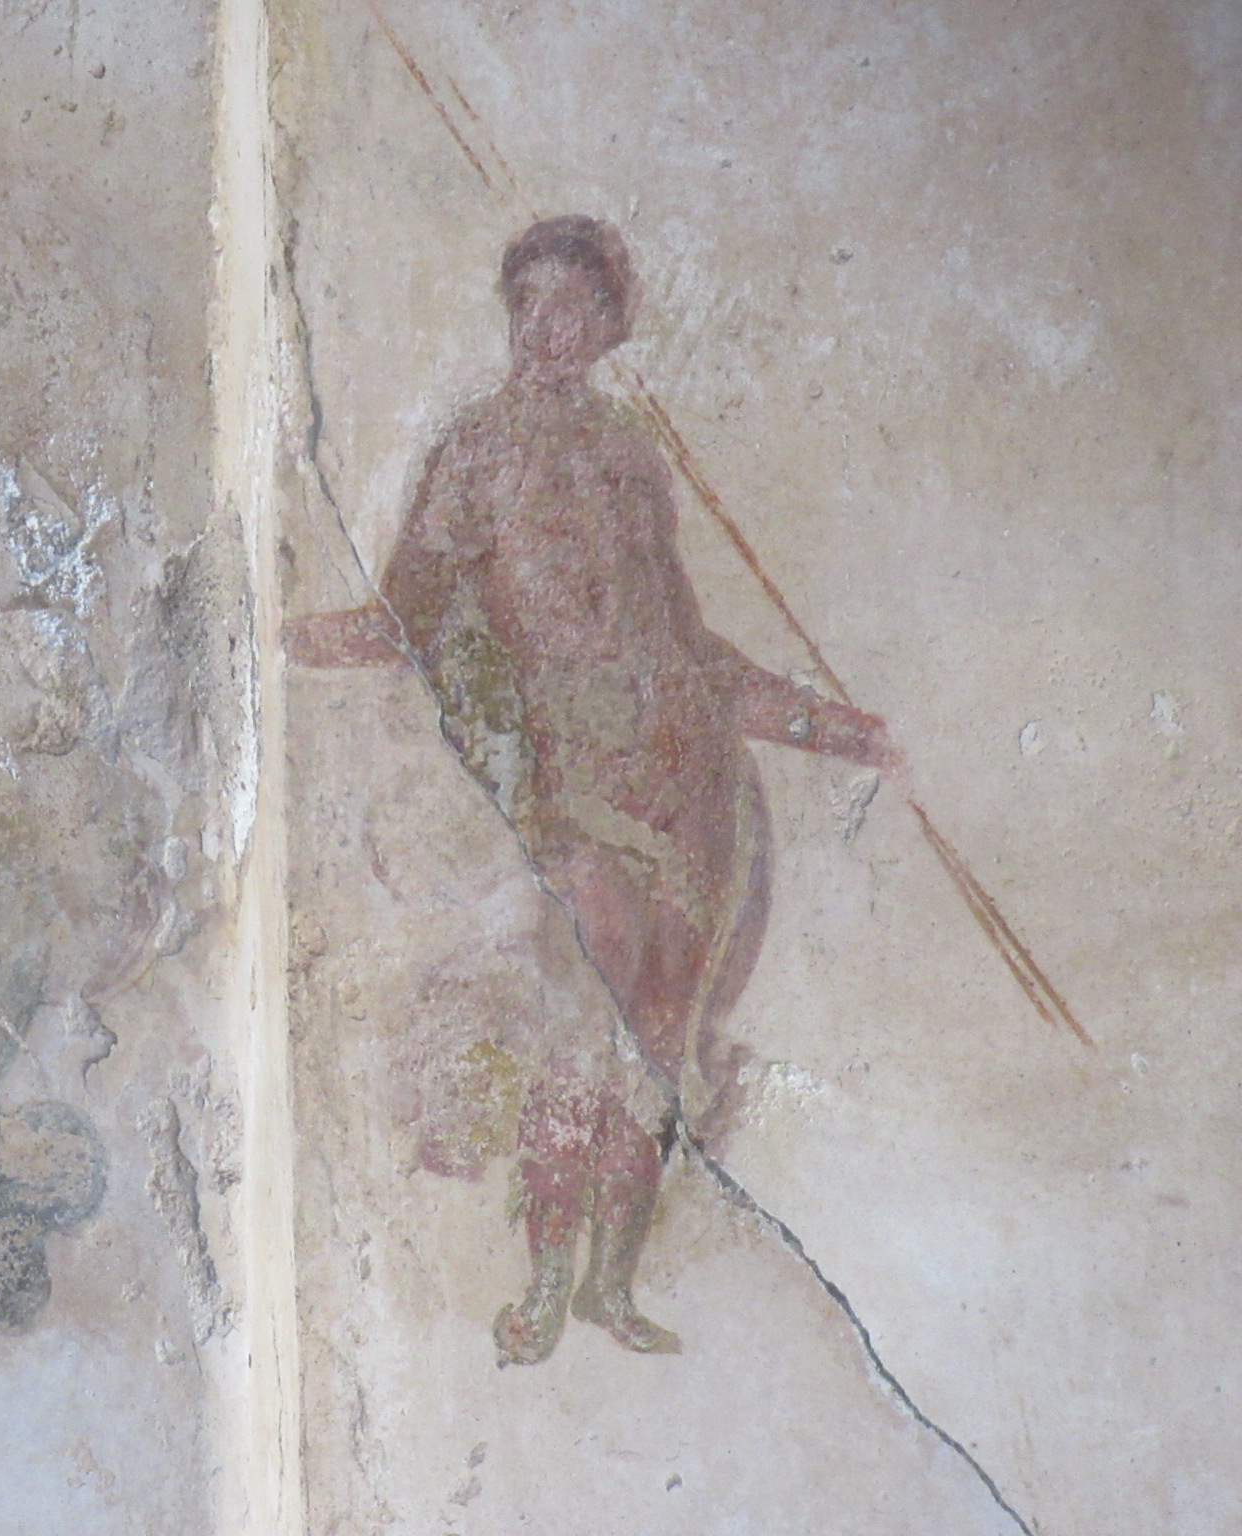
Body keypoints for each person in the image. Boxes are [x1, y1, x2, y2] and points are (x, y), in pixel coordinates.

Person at [292, 216, 899, 1362]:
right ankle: (541, 1281)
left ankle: (610, 1284)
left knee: (657, 1039)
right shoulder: (475, 450)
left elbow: (687, 645)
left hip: (688, 779)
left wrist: (832, 727)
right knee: (579, 1023)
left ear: (610, 325)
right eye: (527, 302)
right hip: (572, 783)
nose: (547, 326)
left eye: (572, 305)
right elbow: (401, 619)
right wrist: (283, 638)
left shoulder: (629, 454)